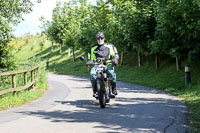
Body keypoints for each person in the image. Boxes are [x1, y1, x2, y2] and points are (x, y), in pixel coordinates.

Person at [87, 32, 119, 98]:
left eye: (101, 38)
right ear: (96, 39)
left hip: (107, 63)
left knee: (112, 73)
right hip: (97, 65)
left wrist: (115, 59)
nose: (100, 39)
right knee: (92, 74)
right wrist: (89, 62)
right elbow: (90, 58)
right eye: (98, 38)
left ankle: (113, 90)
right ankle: (95, 91)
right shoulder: (92, 48)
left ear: (104, 38)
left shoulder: (110, 46)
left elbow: (116, 54)